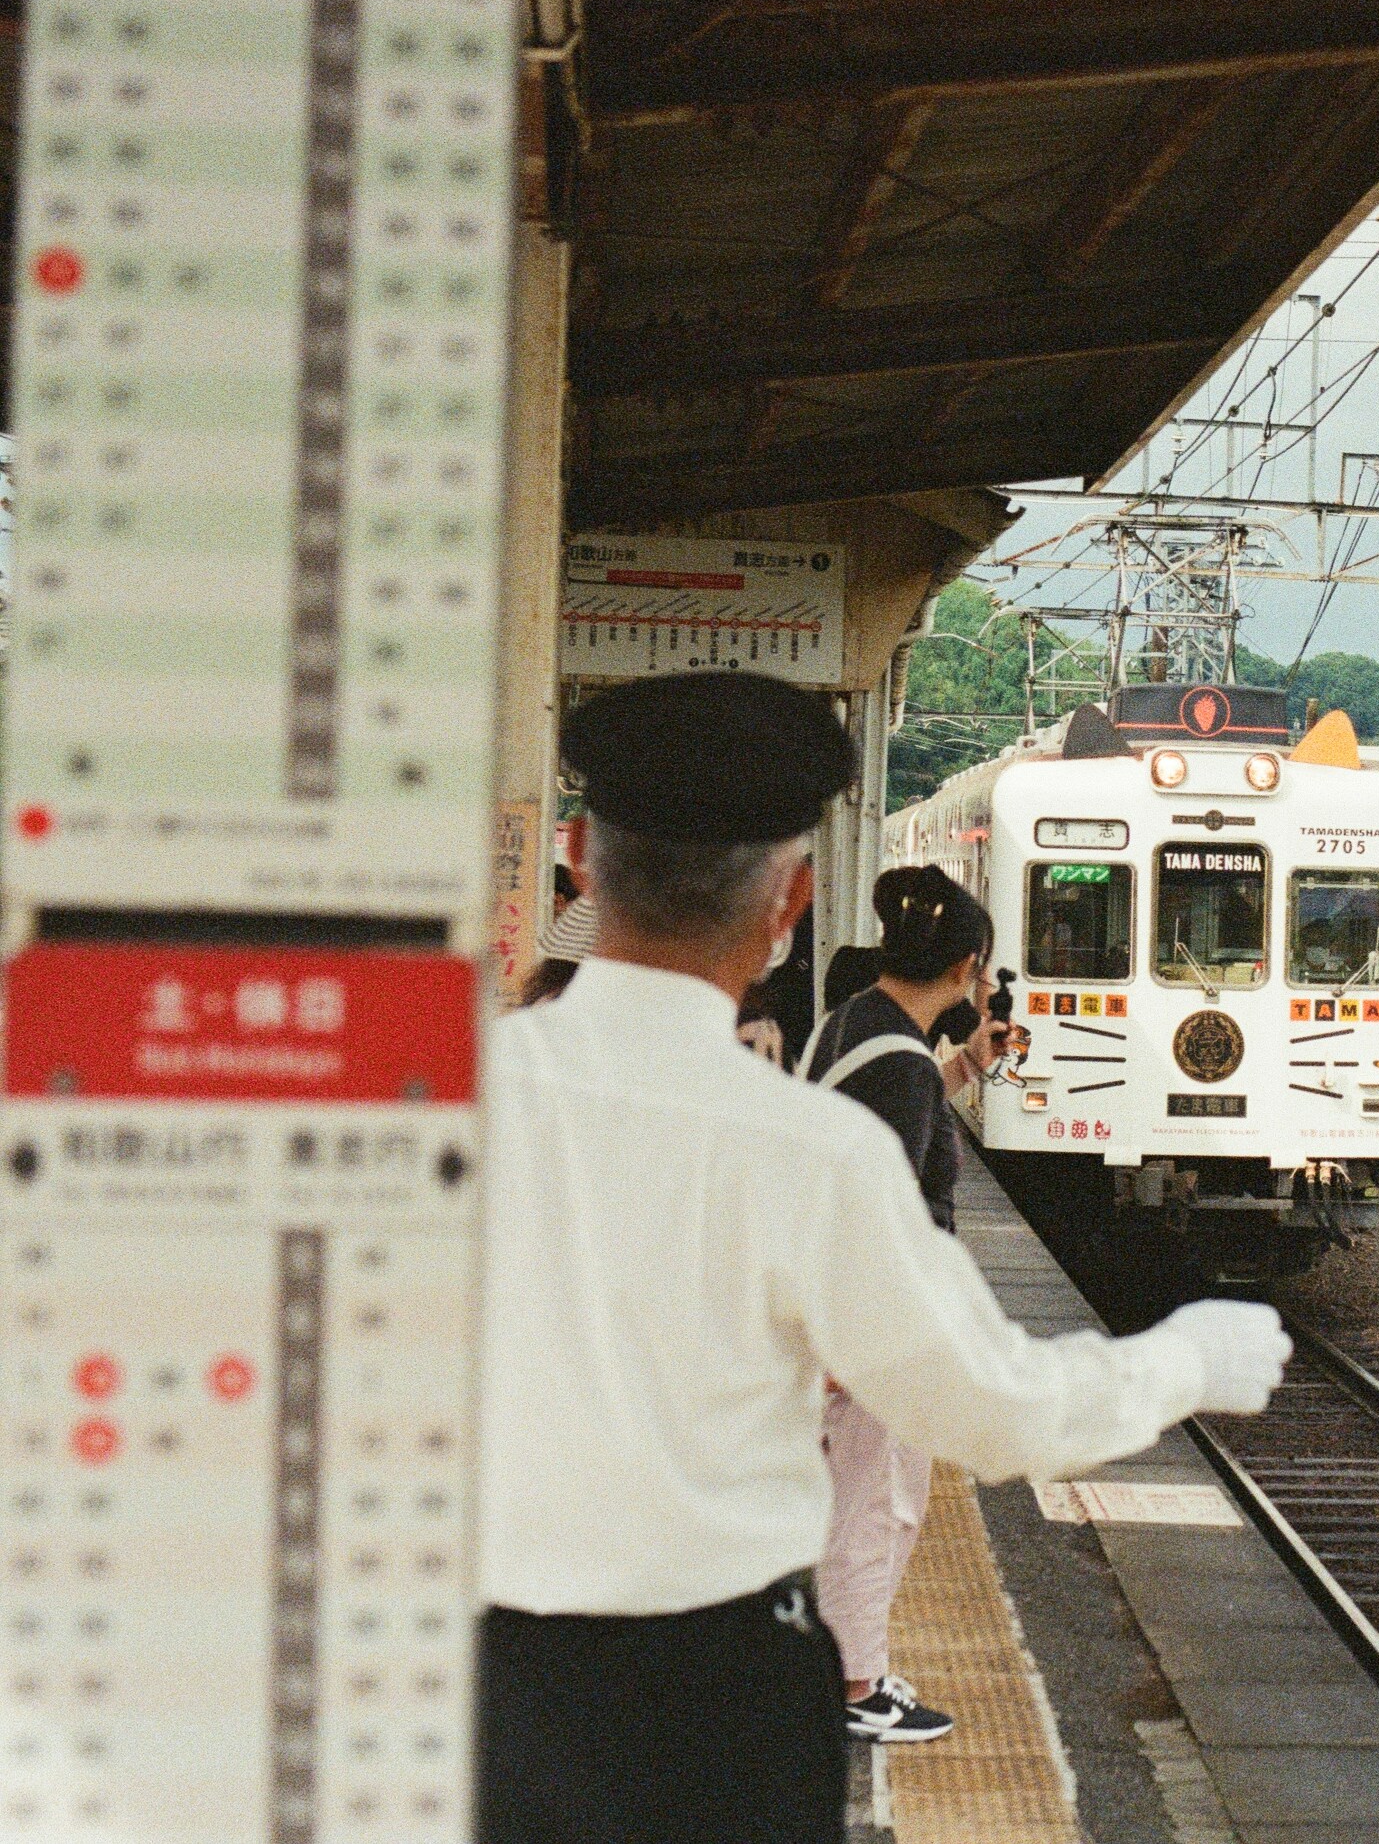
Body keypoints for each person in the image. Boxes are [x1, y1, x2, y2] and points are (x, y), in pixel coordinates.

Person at [478, 671, 1289, 1842]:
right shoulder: (810, 1153)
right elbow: (994, 1407)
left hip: (454, 1672)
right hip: (719, 1694)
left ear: (576, 857)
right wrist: (1183, 1359)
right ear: (794, 900)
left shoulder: (440, 1102)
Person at [801, 864, 1004, 1741]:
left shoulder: (859, 1026)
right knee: (876, 1498)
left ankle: (852, 1661)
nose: (989, 984)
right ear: (963, 968)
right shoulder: (899, 1065)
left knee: (861, 1495)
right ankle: (858, 1686)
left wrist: (964, 1065)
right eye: (985, 968)